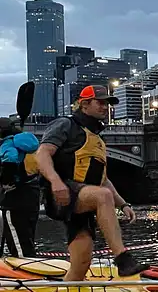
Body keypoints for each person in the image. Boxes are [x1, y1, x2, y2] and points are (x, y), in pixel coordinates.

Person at [35, 85, 149, 280]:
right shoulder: (65, 125)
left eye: (108, 104)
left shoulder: (97, 139)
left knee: (81, 262)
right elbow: (42, 153)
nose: (105, 108)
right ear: (84, 104)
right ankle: (123, 259)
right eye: (101, 103)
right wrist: (55, 182)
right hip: (63, 193)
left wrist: (123, 204)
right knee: (102, 196)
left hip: (85, 199)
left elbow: (103, 180)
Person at [0, 117, 40, 257]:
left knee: (17, 241)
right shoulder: (26, 144)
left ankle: (26, 271)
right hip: (32, 194)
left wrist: (6, 181)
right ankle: (33, 265)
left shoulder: (8, 144)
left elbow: (10, 159)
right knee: (27, 237)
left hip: (15, 198)